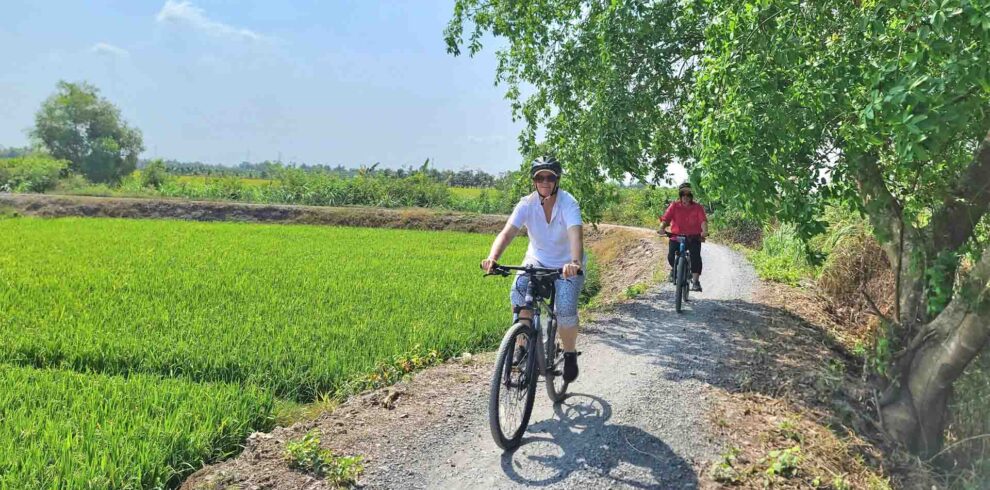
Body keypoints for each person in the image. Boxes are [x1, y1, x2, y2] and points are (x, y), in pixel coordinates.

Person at [480, 156, 585, 382]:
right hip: (536, 260)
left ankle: (569, 354)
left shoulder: (568, 204)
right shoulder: (526, 204)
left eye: (550, 177)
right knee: (518, 293)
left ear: (557, 180)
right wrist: (492, 258)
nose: (545, 181)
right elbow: (507, 233)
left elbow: (576, 234)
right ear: (534, 181)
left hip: (566, 265)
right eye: (540, 177)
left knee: (565, 309)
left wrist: (575, 263)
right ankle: (522, 344)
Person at [660, 182, 708, 292]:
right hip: (676, 237)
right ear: (680, 195)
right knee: (671, 255)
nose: (685, 197)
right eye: (683, 194)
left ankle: (695, 282)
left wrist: (705, 231)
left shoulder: (697, 207)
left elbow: (703, 221)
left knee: (695, 257)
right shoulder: (674, 206)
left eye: (688, 195)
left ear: (691, 196)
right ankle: (674, 269)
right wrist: (662, 228)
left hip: (693, 237)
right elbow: (666, 219)